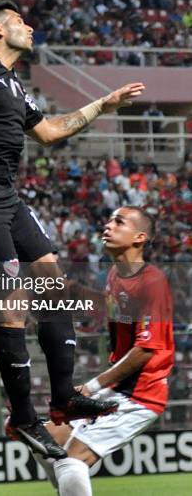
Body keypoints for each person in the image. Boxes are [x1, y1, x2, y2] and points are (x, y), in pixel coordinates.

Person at [0, 0, 145, 459]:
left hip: (7, 199)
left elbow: (48, 131)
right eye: (19, 21)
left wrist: (103, 104)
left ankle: (63, 398)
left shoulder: (9, 82)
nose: (28, 26)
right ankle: (23, 416)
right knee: (14, 300)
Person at [36, 207, 174, 496]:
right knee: (42, 441)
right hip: (119, 388)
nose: (108, 225)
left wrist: (91, 386)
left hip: (141, 393)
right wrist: (73, 290)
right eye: (109, 219)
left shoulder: (153, 282)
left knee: (71, 461)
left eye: (118, 222)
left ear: (139, 237)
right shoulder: (116, 273)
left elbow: (146, 350)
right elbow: (113, 307)